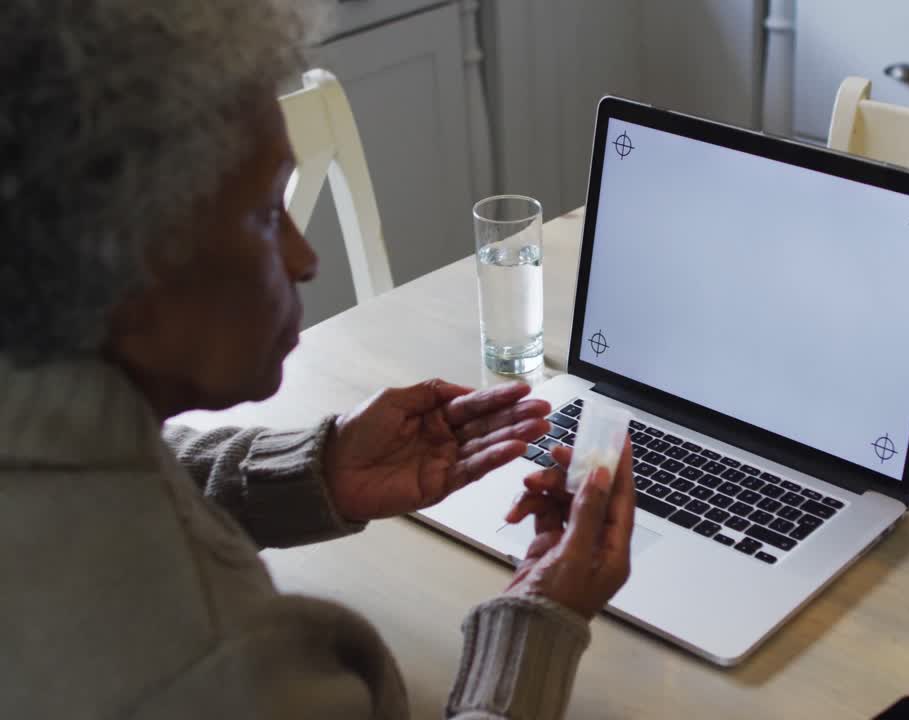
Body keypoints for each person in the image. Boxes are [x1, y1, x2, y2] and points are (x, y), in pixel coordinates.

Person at [0, 2, 635, 718]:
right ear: (125, 269)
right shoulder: (212, 669)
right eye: (267, 213)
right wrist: (537, 616)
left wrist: (316, 470)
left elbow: (134, 473)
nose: (305, 259)